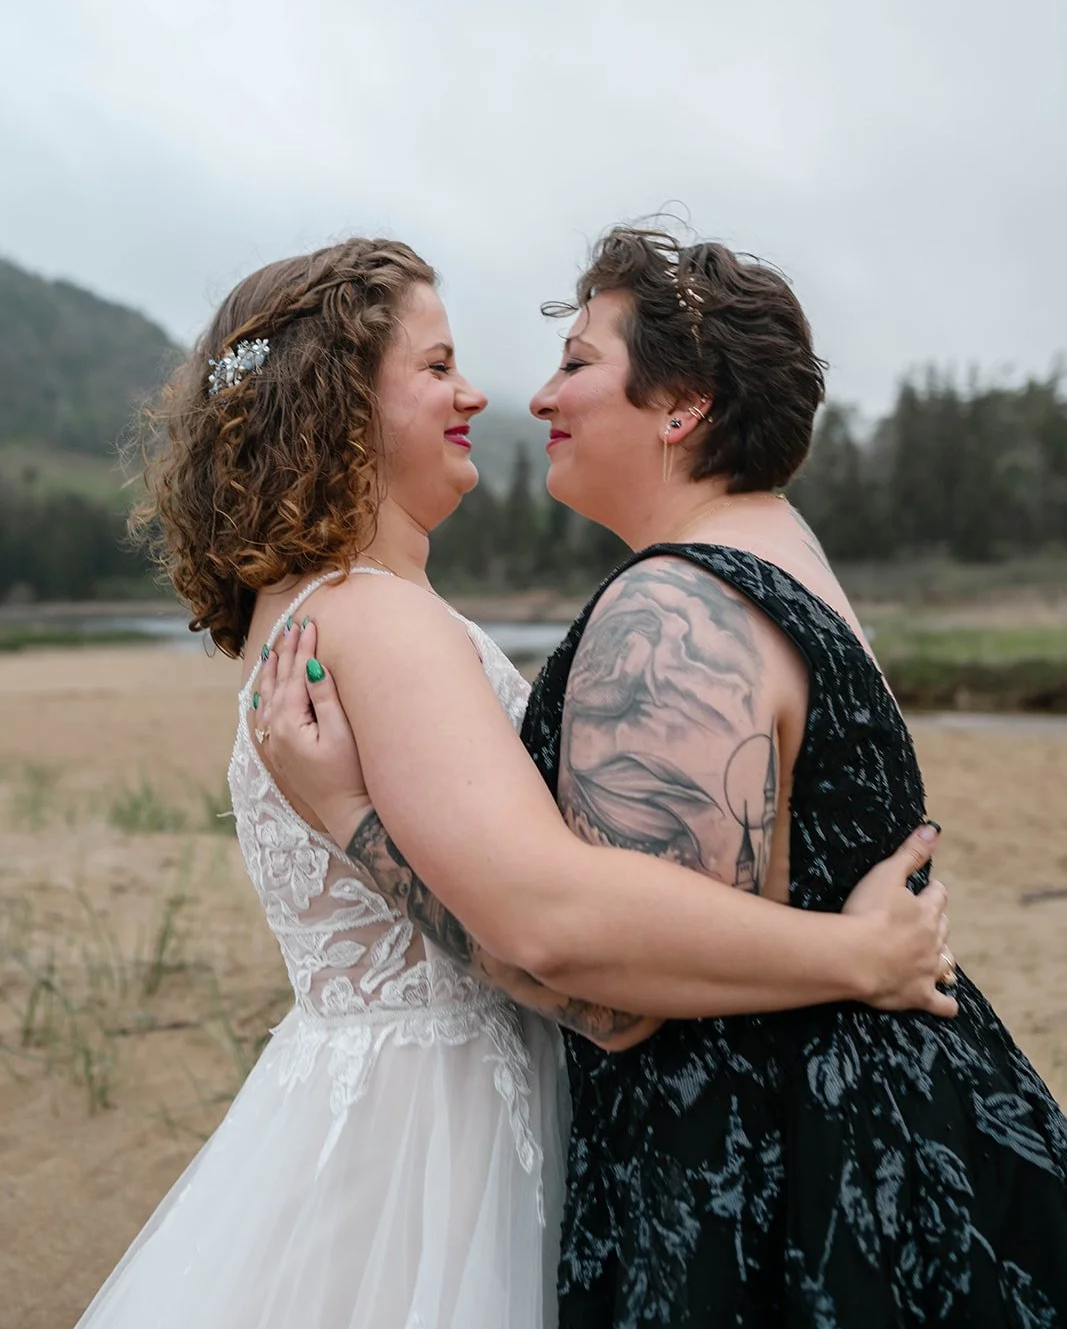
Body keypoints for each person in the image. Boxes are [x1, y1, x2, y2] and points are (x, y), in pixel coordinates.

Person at [79, 236, 952, 1329]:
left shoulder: (313, 609)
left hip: (369, 1097)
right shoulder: (377, 619)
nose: (477, 392)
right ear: (344, 404)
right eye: (437, 365)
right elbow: (568, 950)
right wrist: (854, 954)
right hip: (439, 1136)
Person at [262, 227, 1067, 1326]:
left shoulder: (674, 608)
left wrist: (350, 815)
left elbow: (599, 979)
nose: (538, 396)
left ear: (681, 401)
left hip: (772, 1166)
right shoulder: (777, 548)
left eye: (579, 361)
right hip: (902, 1109)